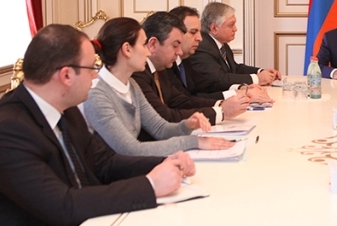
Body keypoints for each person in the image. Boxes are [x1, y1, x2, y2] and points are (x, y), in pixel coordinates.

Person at [0, 25, 191, 226]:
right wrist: (151, 185)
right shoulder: (7, 132)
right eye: (91, 68)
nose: (96, 75)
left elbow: (104, 162)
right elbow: (63, 205)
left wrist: (166, 162)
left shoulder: (66, 111)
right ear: (66, 75)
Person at [82, 17, 234, 156]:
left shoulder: (131, 85)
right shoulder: (97, 95)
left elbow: (160, 129)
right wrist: (194, 142)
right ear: (127, 49)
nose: (148, 52)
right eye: (143, 45)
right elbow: (131, 149)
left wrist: (187, 125)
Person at [132, 11, 249, 127]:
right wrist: (221, 112)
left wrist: (221, 104)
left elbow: (180, 100)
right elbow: (165, 117)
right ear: (153, 44)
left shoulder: (160, 68)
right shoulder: (137, 74)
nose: (179, 52)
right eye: (175, 45)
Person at [168, 6, 272, 106]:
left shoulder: (185, 60)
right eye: (193, 32)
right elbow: (184, 101)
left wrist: (240, 88)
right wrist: (237, 94)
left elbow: (204, 87)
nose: (200, 38)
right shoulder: (167, 65)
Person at [188, 2, 282, 93]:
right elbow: (219, 79)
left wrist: (261, 71)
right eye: (231, 25)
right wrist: (258, 78)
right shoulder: (202, 47)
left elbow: (234, 68)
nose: (235, 29)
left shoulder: (221, 44)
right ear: (214, 28)